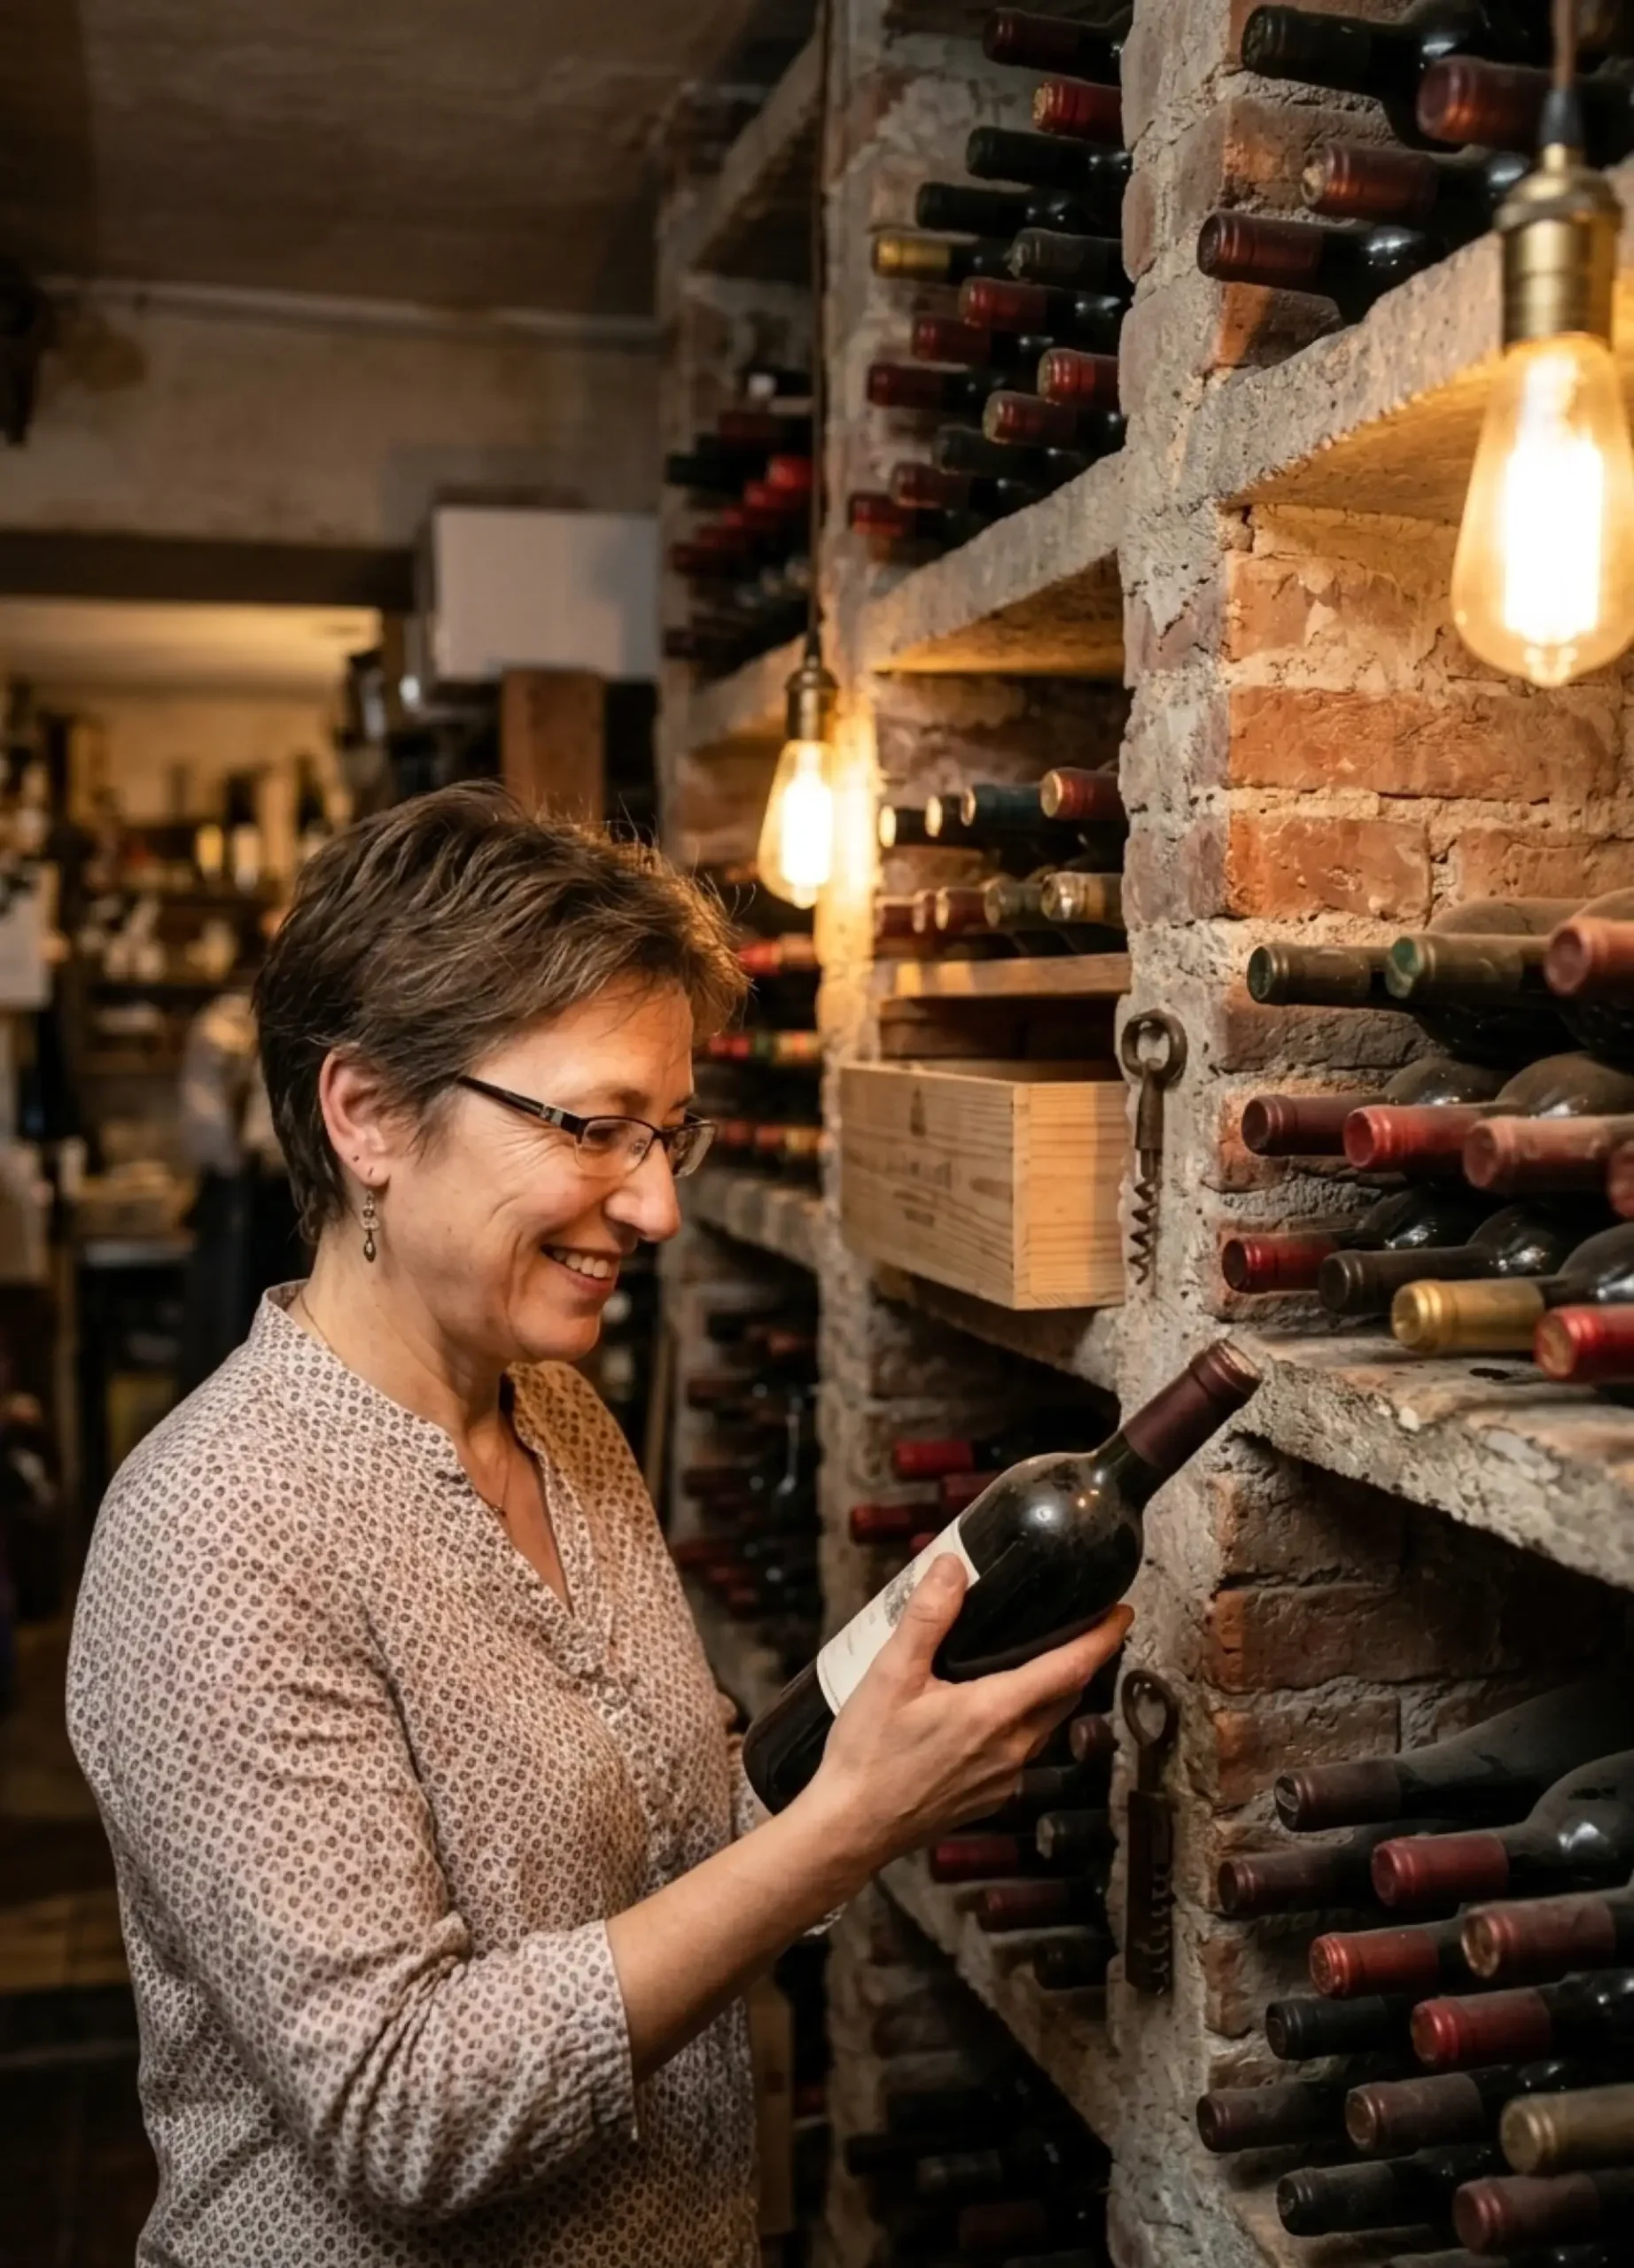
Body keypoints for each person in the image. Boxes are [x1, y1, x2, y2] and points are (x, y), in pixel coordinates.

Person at [66, 785, 1130, 2268]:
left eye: (671, 1136)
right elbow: (402, 2110)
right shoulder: (220, 1532)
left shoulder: (559, 1421)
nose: (656, 1209)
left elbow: (679, 1854)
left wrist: (891, 1733)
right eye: (596, 1128)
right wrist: (844, 1833)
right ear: (366, 1113)